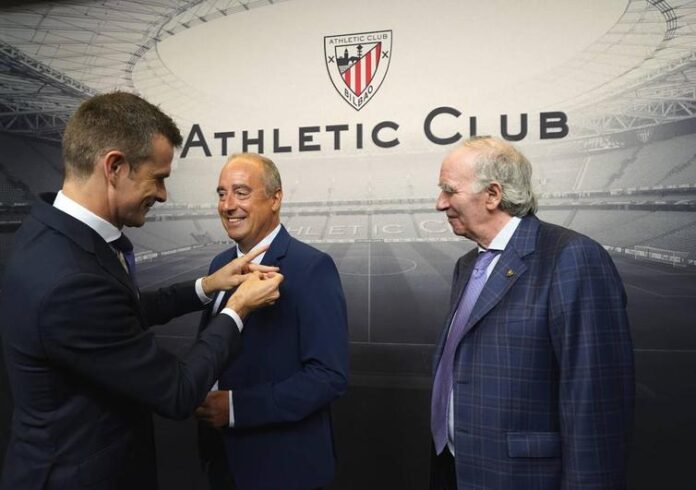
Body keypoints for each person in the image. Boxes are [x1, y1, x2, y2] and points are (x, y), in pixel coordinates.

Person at [0, 92, 283, 490]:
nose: (163, 194)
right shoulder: (69, 281)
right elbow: (178, 391)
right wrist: (237, 308)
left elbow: (121, 311)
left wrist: (207, 286)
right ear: (114, 167)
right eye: (158, 177)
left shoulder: (51, 235)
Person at [430, 136, 634, 490]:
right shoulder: (467, 265)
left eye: (449, 190)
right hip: (455, 469)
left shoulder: (571, 257)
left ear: (493, 194)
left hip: (523, 478)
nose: (440, 203)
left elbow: (595, 404)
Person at [194, 153, 349, 490]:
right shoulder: (220, 265)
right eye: (221, 194)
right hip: (222, 463)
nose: (228, 205)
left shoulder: (312, 267)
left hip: (283, 469)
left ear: (275, 198)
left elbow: (328, 376)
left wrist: (236, 408)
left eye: (241, 192)